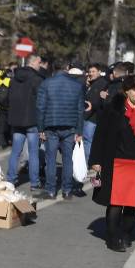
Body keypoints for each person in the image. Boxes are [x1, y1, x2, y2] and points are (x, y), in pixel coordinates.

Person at [89, 74, 135, 252]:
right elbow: (100, 136)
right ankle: (113, 237)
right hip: (117, 163)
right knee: (115, 203)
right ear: (126, 91)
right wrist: (96, 160)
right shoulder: (113, 109)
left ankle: (125, 234)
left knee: (132, 204)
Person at [37, 64, 85, 199]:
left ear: (54, 71)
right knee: (67, 159)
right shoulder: (77, 85)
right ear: (67, 70)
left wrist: (40, 129)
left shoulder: (46, 84)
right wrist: (80, 131)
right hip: (70, 127)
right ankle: (67, 190)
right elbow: (80, 110)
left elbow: (40, 108)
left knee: (51, 160)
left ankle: (51, 190)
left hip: (51, 126)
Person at [6, 54, 45, 192]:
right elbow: (41, 102)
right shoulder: (37, 79)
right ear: (33, 62)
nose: (40, 65)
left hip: (16, 120)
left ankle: (10, 179)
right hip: (32, 120)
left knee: (15, 152)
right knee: (34, 152)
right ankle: (34, 183)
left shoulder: (14, 78)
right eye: (39, 62)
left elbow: (9, 97)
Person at [84, 63, 108, 163]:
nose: (91, 73)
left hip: (92, 118)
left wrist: (85, 116)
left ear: (99, 72)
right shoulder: (93, 83)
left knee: (87, 141)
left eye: (93, 71)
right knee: (90, 141)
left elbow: (94, 101)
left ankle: (87, 163)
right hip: (92, 117)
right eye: (89, 72)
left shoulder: (100, 83)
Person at [0, 64, 13, 148]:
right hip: (10, 108)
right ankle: (9, 140)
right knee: (10, 125)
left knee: (1, 124)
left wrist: (3, 70)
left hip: (1, 107)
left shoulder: (1, 81)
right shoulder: (13, 82)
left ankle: (1, 142)